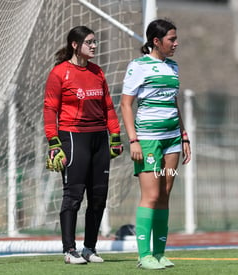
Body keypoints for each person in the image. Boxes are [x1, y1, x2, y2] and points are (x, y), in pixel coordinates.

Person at [43, 25, 123, 265]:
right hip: (73, 137)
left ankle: (89, 248)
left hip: (100, 137)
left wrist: (115, 134)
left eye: (95, 41)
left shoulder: (97, 72)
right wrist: (53, 142)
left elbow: (108, 106)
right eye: (89, 42)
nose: (94, 46)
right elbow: (50, 108)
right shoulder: (60, 73)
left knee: (98, 196)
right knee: (74, 196)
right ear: (75, 45)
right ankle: (69, 250)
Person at [120, 19, 191, 270]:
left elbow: (173, 103)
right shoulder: (138, 66)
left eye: (176, 38)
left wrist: (183, 135)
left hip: (172, 139)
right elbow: (126, 104)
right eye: (171, 39)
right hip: (148, 141)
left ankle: (160, 253)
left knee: (164, 194)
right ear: (156, 41)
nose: (176, 43)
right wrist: (133, 140)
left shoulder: (173, 66)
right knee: (150, 195)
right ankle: (144, 255)